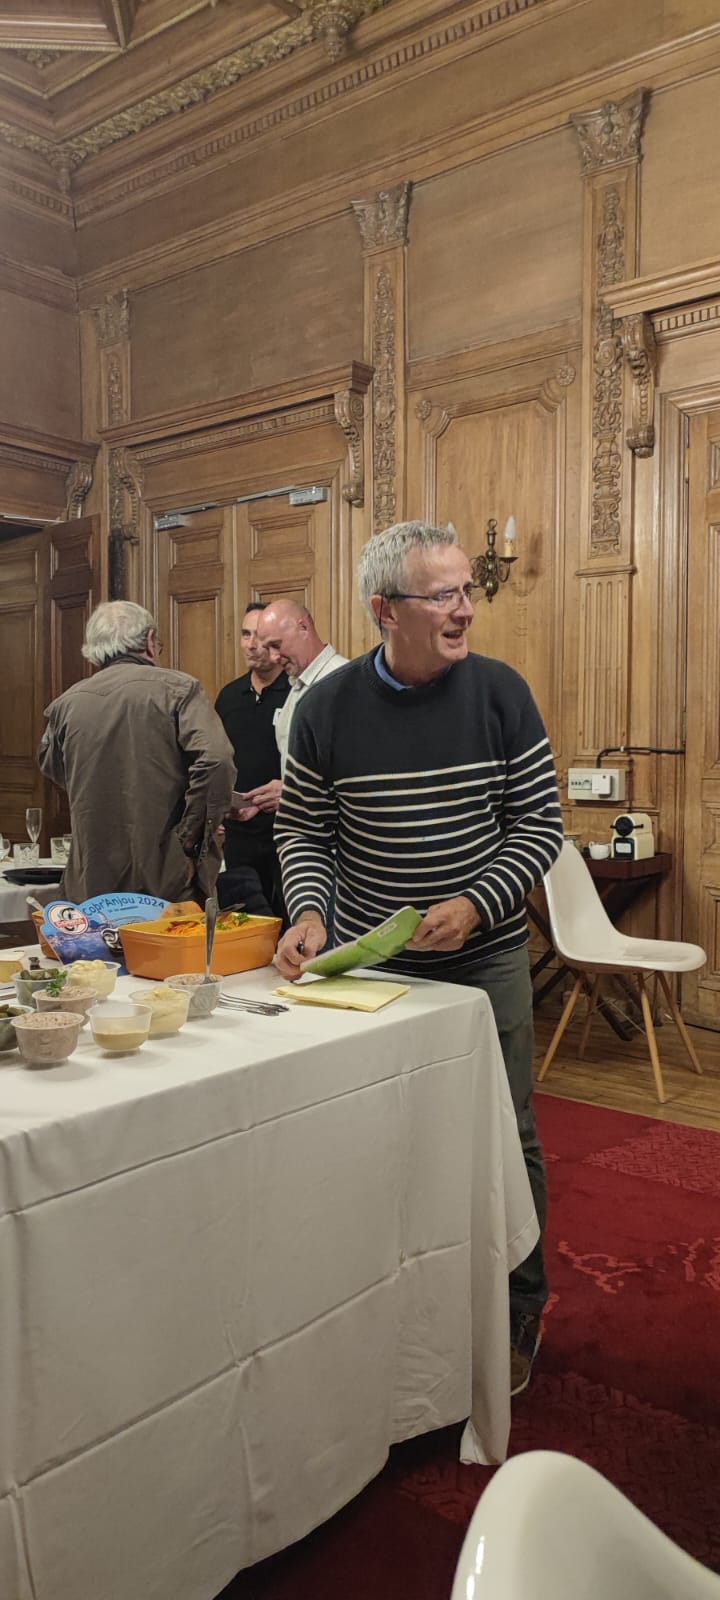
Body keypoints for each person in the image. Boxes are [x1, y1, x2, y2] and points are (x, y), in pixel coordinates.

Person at [273, 521, 564, 1396]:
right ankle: (390, 1302)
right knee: (380, 1133)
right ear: (384, 611)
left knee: (506, 1133)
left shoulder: (501, 693)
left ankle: (517, 1308)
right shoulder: (326, 708)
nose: (465, 609)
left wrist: (477, 904)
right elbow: (305, 830)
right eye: (443, 595)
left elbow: (539, 826)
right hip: (372, 967)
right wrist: (310, 911)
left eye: (467, 589)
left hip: (485, 961)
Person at [38, 600, 235, 904]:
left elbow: (53, 767)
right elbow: (217, 760)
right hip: (165, 873)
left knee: (94, 938)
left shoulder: (66, 704)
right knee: (169, 937)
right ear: (150, 640)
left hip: (89, 875)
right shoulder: (179, 690)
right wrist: (190, 838)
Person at [214, 602, 290, 918]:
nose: (251, 644)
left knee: (288, 924)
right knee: (244, 924)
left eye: (259, 635)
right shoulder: (229, 697)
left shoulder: (298, 693)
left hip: (285, 832)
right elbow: (215, 761)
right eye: (246, 634)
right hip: (239, 836)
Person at [255, 599, 347, 774]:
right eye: (268, 648)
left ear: (303, 628)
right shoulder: (297, 684)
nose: (273, 657)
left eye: (276, 645)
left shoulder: (343, 682)